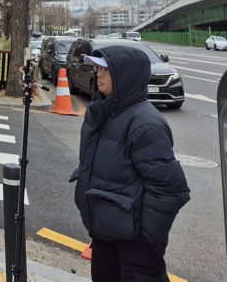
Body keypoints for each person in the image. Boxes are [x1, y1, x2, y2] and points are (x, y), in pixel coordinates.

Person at [71, 45, 189, 282]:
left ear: (124, 76)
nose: (98, 74)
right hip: (106, 234)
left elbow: (170, 189)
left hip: (135, 244)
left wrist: (145, 237)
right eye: (96, 69)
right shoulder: (102, 111)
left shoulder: (145, 124)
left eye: (105, 70)